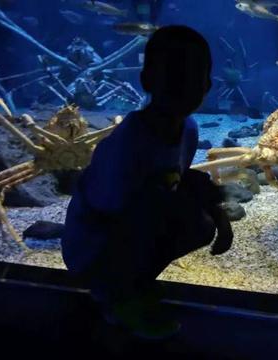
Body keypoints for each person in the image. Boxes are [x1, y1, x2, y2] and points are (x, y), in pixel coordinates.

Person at [61, 25, 233, 339]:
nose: (184, 86)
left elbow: (175, 180)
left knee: (201, 224)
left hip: (128, 228)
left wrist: (218, 212)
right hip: (91, 247)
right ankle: (114, 299)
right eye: (174, 75)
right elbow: (109, 208)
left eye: (193, 75)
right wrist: (178, 199)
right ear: (146, 81)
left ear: (207, 84)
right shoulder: (128, 140)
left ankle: (135, 285)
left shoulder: (188, 129)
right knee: (167, 209)